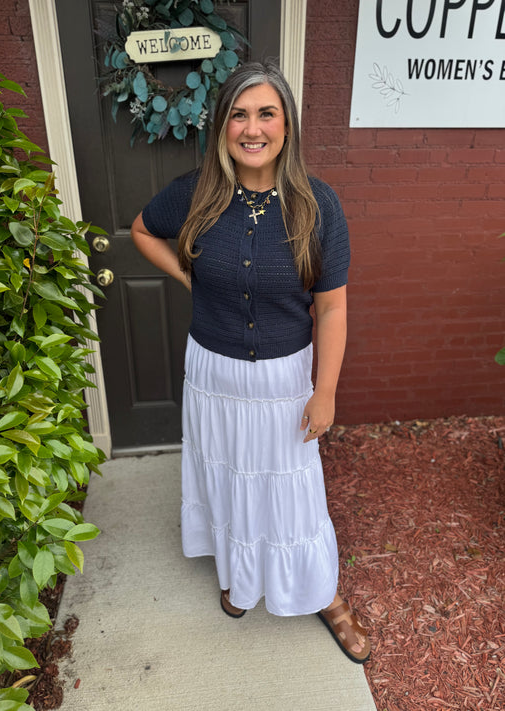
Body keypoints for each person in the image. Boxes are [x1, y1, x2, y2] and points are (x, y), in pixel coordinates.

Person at [130, 61, 370, 664]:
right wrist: (190, 276)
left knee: (294, 492)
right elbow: (142, 230)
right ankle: (238, 573)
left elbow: (332, 308)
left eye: (266, 113)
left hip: (285, 379)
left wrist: (325, 391)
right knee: (229, 477)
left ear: (287, 125)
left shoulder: (318, 206)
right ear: (223, 126)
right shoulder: (197, 193)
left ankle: (324, 594)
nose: (252, 128)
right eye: (239, 114)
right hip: (213, 374)